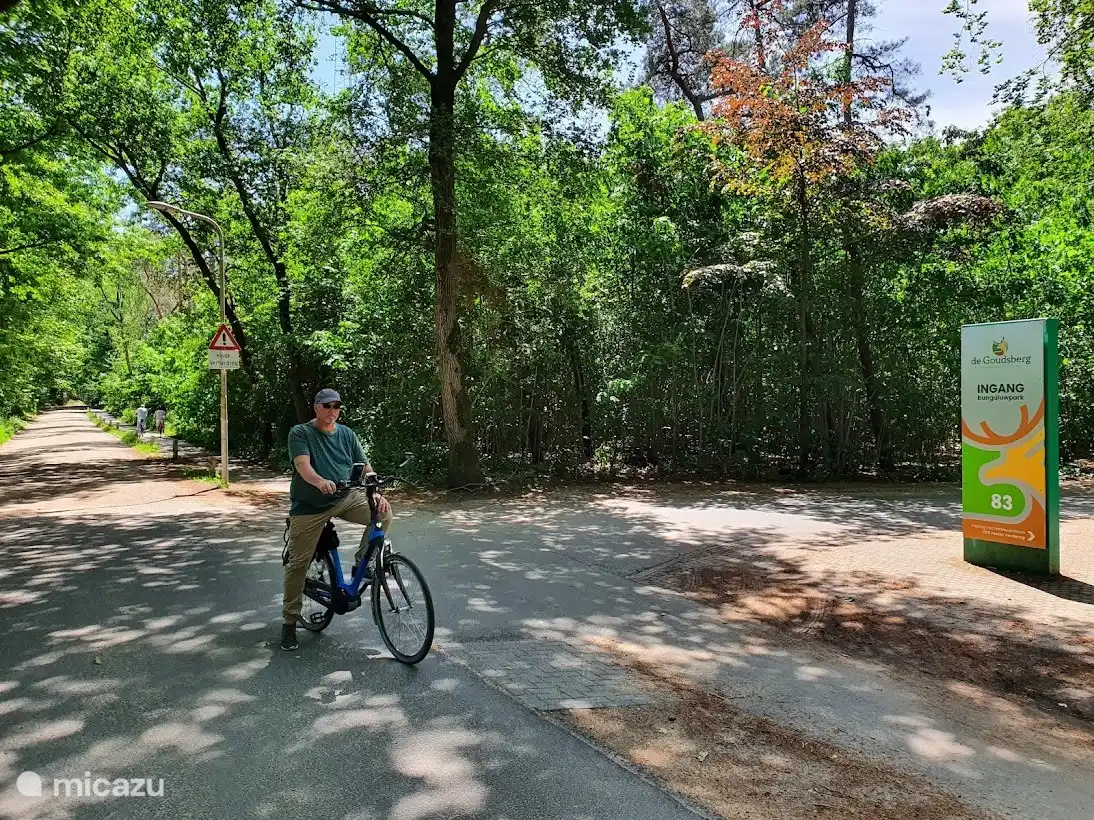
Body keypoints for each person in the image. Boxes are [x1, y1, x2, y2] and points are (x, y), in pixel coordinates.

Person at [279, 388, 392, 651]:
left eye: (337, 406)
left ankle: (364, 563)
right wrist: (320, 482)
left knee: (383, 514)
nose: (332, 411)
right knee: (298, 564)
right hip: (310, 506)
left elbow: (366, 467)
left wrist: (375, 491)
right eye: (327, 406)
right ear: (316, 408)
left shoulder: (346, 434)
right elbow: (302, 466)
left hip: (345, 498)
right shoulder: (301, 433)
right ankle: (289, 622)